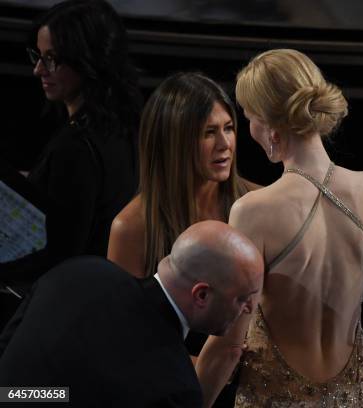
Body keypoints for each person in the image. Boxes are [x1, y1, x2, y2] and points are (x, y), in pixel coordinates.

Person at [195, 49, 363, 407]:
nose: (249, 128)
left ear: (270, 124)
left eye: (249, 117)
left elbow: (229, 345)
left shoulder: (253, 211)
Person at [0, 221, 263, 407]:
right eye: (243, 298)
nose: (250, 308)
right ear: (201, 295)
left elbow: (8, 350)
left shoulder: (80, 271)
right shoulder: (176, 388)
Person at [1, 0, 142, 286]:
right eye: (38, 56)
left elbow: (61, 253)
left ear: (87, 59)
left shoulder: (76, 146)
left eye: (52, 58)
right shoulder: (126, 126)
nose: (39, 70)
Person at [108, 72, 257, 279]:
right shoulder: (130, 228)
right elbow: (122, 310)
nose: (225, 144)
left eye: (228, 128)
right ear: (174, 142)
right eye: (209, 132)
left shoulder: (259, 204)